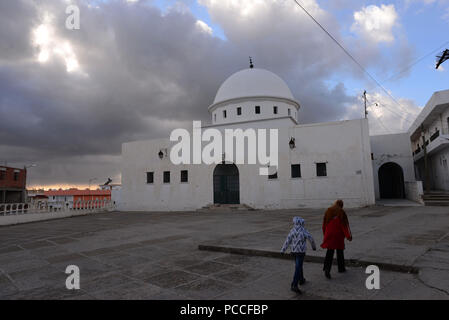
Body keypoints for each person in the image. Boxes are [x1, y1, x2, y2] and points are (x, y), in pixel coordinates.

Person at [281, 217, 316, 294]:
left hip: (294, 252)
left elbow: (287, 241)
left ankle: (301, 279)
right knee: (298, 267)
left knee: (299, 265)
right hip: (301, 252)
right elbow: (311, 239)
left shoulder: (292, 231)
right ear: (302, 223)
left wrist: (283, 250)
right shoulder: (304, 230)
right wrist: (314, 247)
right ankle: (294, 284)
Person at [321, 199, 352, 279]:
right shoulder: (342, 212)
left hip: (329, 234)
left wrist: (325, 234)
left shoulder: (328, 211)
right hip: (338, 236)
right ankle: (341, 268)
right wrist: (348, 236)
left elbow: (324, 225)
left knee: (329, 252)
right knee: (340, 252)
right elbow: (344, 226)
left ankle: (327, 269)